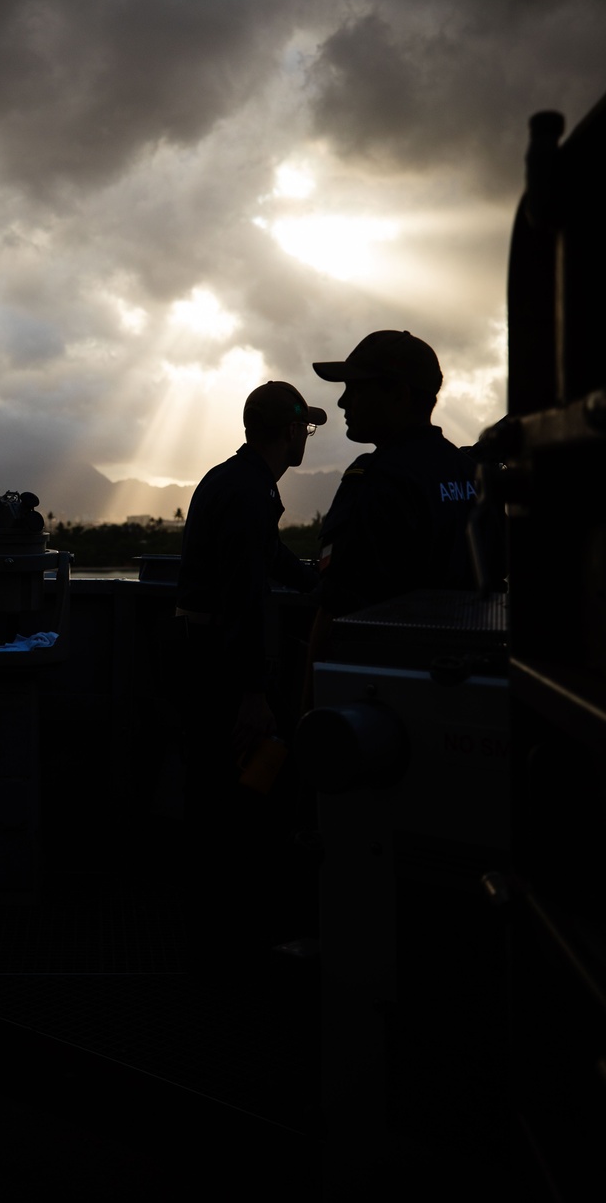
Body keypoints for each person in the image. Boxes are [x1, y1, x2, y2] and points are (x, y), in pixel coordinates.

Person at [172, 381, 326, 974]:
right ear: (289, 433)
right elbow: (243, 596)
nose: (306, 438)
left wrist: (316, 581)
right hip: (221, 666)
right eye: (305, 430)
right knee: (233, 797)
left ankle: (217, 932)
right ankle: (224, 943)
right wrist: (254, 692)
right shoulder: (249, 493)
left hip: (208, 655)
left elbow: (268, 557)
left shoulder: (239, 482)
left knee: (223, 794)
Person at [303, 329, 480, 694]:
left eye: (356, 389)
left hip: (384, 685)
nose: (342, 403)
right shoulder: (466, 473)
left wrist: (309, 702)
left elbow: (335, 607)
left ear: (398, 395)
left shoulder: (375, 481)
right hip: (462, 679)